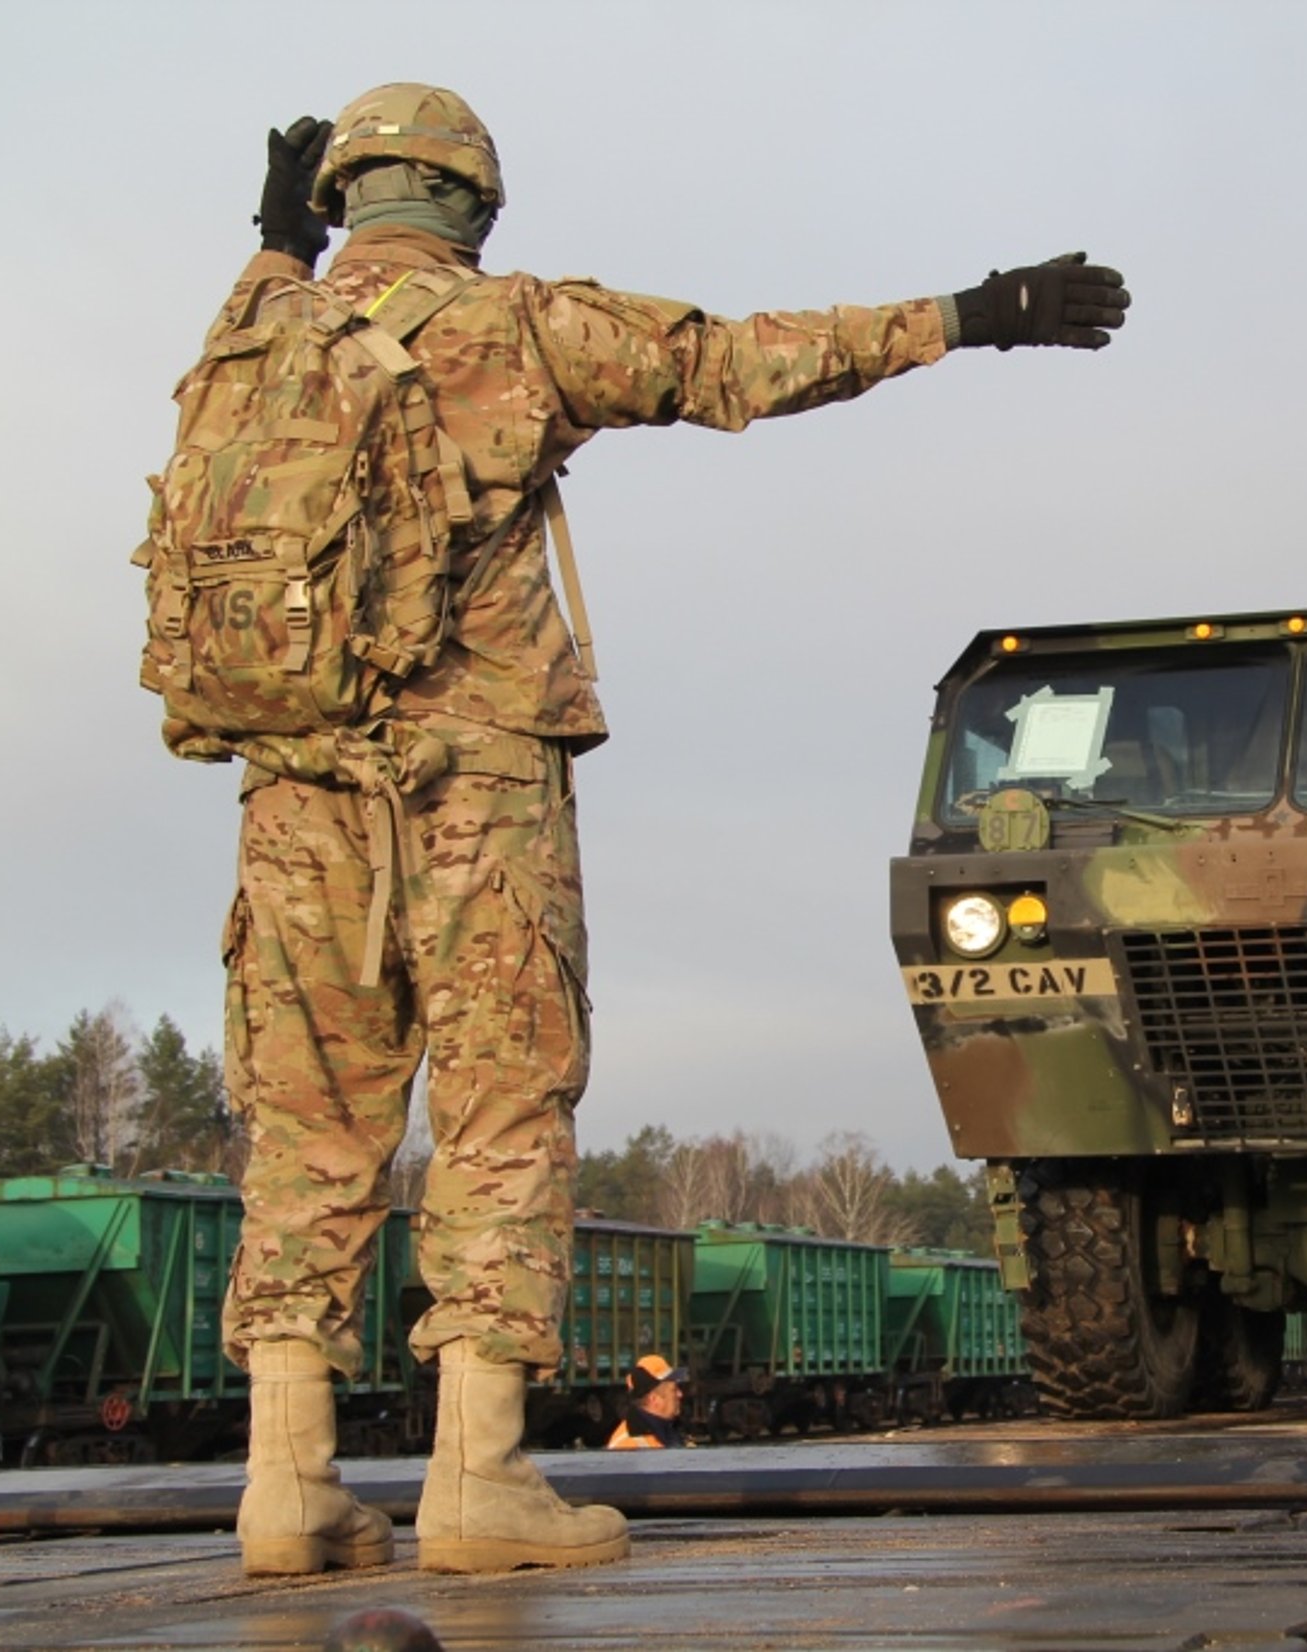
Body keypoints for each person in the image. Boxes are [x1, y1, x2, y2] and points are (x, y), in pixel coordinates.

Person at [170, 84, 1131, 1579]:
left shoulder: (247, 335)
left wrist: (274, 244)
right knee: (499, 1110)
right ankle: (477, 1482)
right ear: (475, 206)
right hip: (476, 784)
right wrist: (972, 311)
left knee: (304, 1131)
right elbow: (741, 365)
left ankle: (284, 1486)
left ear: (341, 198)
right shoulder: (518, 326)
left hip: (294, 790)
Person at [605, 1355, 687, 1450]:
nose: (680, 1394)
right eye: (674, 1390)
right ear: (654, 1399)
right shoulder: (626, 1446)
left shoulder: (671, 1432)